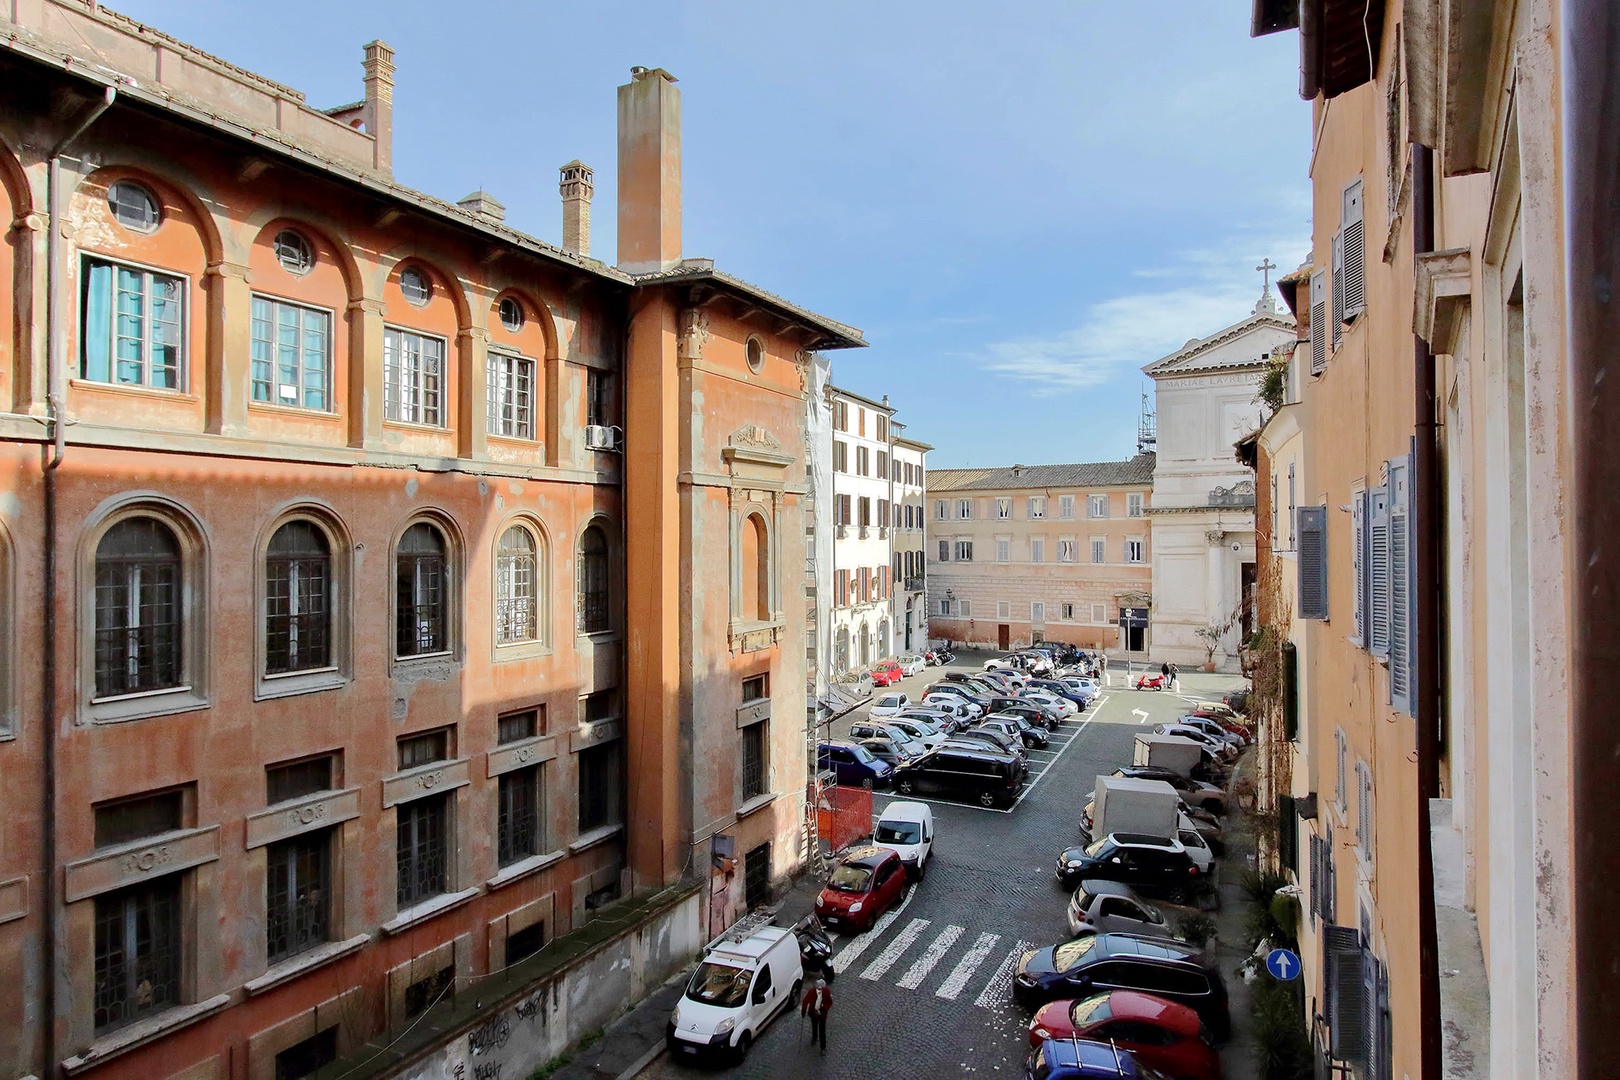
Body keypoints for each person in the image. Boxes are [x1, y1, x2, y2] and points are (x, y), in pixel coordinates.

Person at [801, 975, 832, 1053]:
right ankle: (814, 1037)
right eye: (818, 988)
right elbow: (805, 1001)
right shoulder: (811, 991)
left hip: (822, 1013)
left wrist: (824, 1008)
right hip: (813, 1012)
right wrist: (803, 1012)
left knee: (822, 1031)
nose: (819, 990)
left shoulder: (826, 992)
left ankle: (823, 1048)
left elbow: (829, 1002)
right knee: (814, 1026)